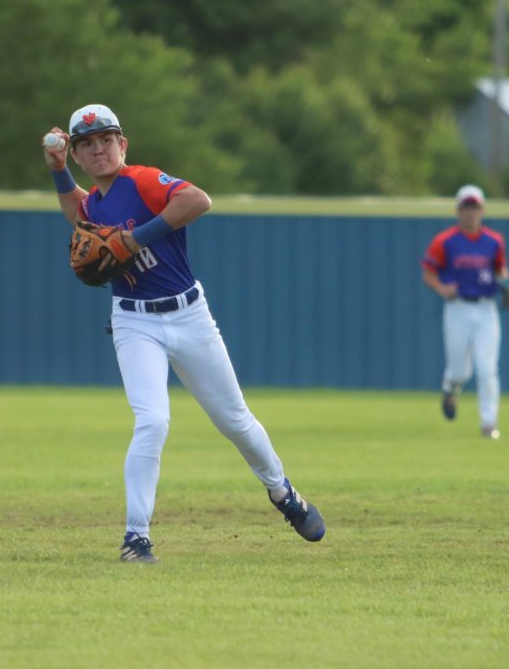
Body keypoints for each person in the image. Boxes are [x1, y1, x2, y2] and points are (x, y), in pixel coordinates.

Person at [41, 103, 325, 563]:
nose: (98, 151)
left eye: (106, 140)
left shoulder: (143, 180)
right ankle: (136, 538)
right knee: (152, 420)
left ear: (122, 145)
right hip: (133, 320)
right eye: (86, 146)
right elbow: (79, 213)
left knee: (235, 420)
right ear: (76, 155)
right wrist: (56, 173)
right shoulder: (91, 204)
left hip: (189, 315)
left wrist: (134, 239)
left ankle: (282, 492)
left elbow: (197, 200)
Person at [420, 184, 509, 440]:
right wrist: (441, 288)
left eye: (475, 207)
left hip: (485, 308)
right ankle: (450, 389)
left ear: (482, 210)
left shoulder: (494, 241)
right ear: (458, 211)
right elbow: (428, 273)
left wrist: (506, 283)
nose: (471, 213)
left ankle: (488, 424)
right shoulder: (445, 241)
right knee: (460, 370)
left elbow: (500, 271)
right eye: (466, 207)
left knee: (487, 368)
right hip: (458, 307)